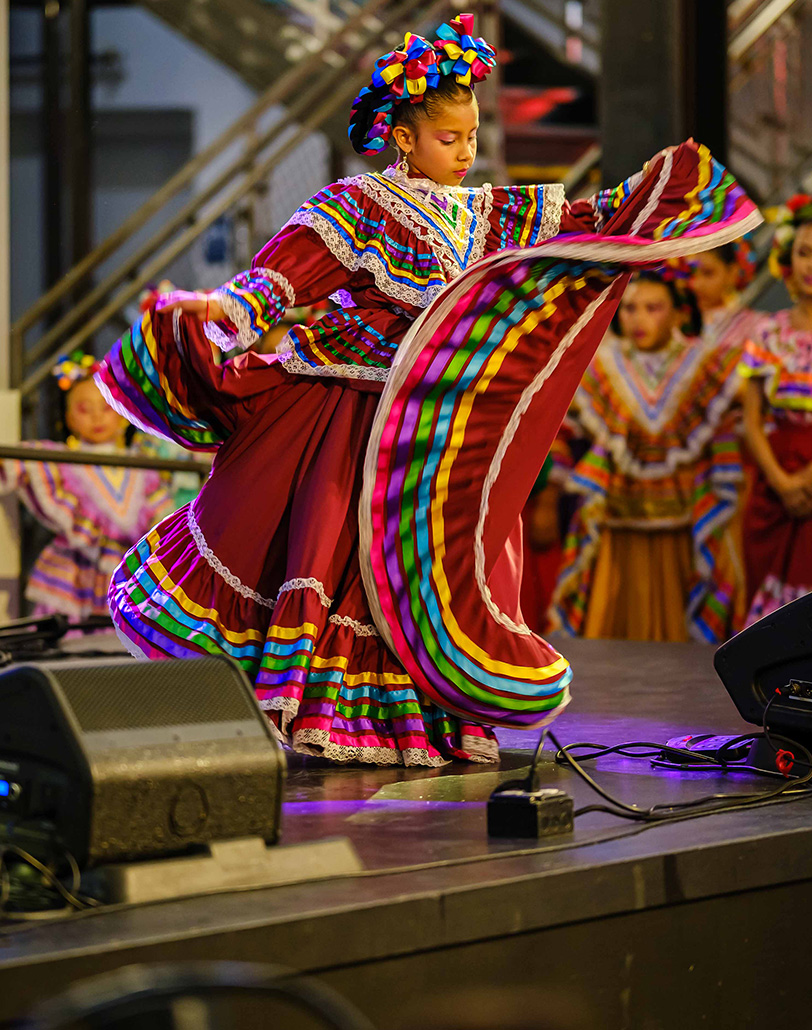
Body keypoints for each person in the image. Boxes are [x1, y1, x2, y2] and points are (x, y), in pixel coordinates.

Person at [95, 16, 760, 765]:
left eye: (473, 135)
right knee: (337, 549)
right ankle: (316, 704)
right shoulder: (355, 204)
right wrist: (229, 311)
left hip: (435, 427)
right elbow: (282, 275)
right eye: (450, 139)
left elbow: (582, 223)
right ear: (404, 137)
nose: (468, 151)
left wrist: (649, 195)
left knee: (424, 566)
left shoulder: (488, 211)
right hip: (349, 414)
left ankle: (419, 718)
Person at [551, 271, 746, 642]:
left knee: (680, 641)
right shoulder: (600, 366)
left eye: (653, 308)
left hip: (684, 526)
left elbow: (724, 439)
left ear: (678, 313)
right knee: (610, 634)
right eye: (629, 309)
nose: (638, 319)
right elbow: (560, 429)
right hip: (615, 523)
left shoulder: (707, 364)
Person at [0, 353, 172, 620]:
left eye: (106, 407)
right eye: (84, 409)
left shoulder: (143, 466)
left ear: (123, 414)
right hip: (75, 575)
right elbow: (15, 463)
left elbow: (162, 514)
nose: (97, 418)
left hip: (131, 569)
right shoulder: (60, 461)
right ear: (68, 417)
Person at [739, 193, 812, 623]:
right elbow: (751, 419)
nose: (810, 265)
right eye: (804, 252)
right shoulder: (769, 332)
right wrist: (783, 482)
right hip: (775, 479)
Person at [687, 240, 763, 355]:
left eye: (708, 273)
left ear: (732, 273)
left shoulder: (754, 327)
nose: (696, 284)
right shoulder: (690, 327)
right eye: (692, 273)